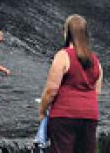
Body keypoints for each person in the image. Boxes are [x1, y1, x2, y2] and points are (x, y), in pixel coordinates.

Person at [38, 15, 103, 153]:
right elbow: (97, 91)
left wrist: (42, 110)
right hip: (90, 116)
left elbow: (51, 90)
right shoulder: (96, 60)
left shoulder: (63, 55)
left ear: (67, 33)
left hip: (64, 116)